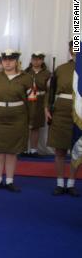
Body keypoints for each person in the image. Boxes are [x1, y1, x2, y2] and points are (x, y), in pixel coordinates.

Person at [0, 49, 34, 192]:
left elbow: (32, 101)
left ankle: (10, 181)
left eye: (11, 60)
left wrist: (30, 120)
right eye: (5, 60)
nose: (8, 63)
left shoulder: (27, 78)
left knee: (12, 150)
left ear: (17, 61)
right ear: (1, 62)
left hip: (18, 117)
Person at [47, 41, 80, 196]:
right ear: (70, 50)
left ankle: (71, 183)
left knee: (77, 151)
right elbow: (51, 91)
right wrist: (47, 108)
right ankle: (60, 183)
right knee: (59, 149)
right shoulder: (61, 69)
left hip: (79, 114)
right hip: (61, 112)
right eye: (73, 48)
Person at [24, 52, 51, 157]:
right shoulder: (25, 72)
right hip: (27, 101)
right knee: (25, 125)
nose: (36, 61)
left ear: (42, 60)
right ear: (31, 60)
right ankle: (24, 149)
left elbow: (49, 90)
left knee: (36, 126)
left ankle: (34, 149)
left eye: (39, 59)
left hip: (40, 101)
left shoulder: (47, 74)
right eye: (34, 59)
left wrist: (46, 105)